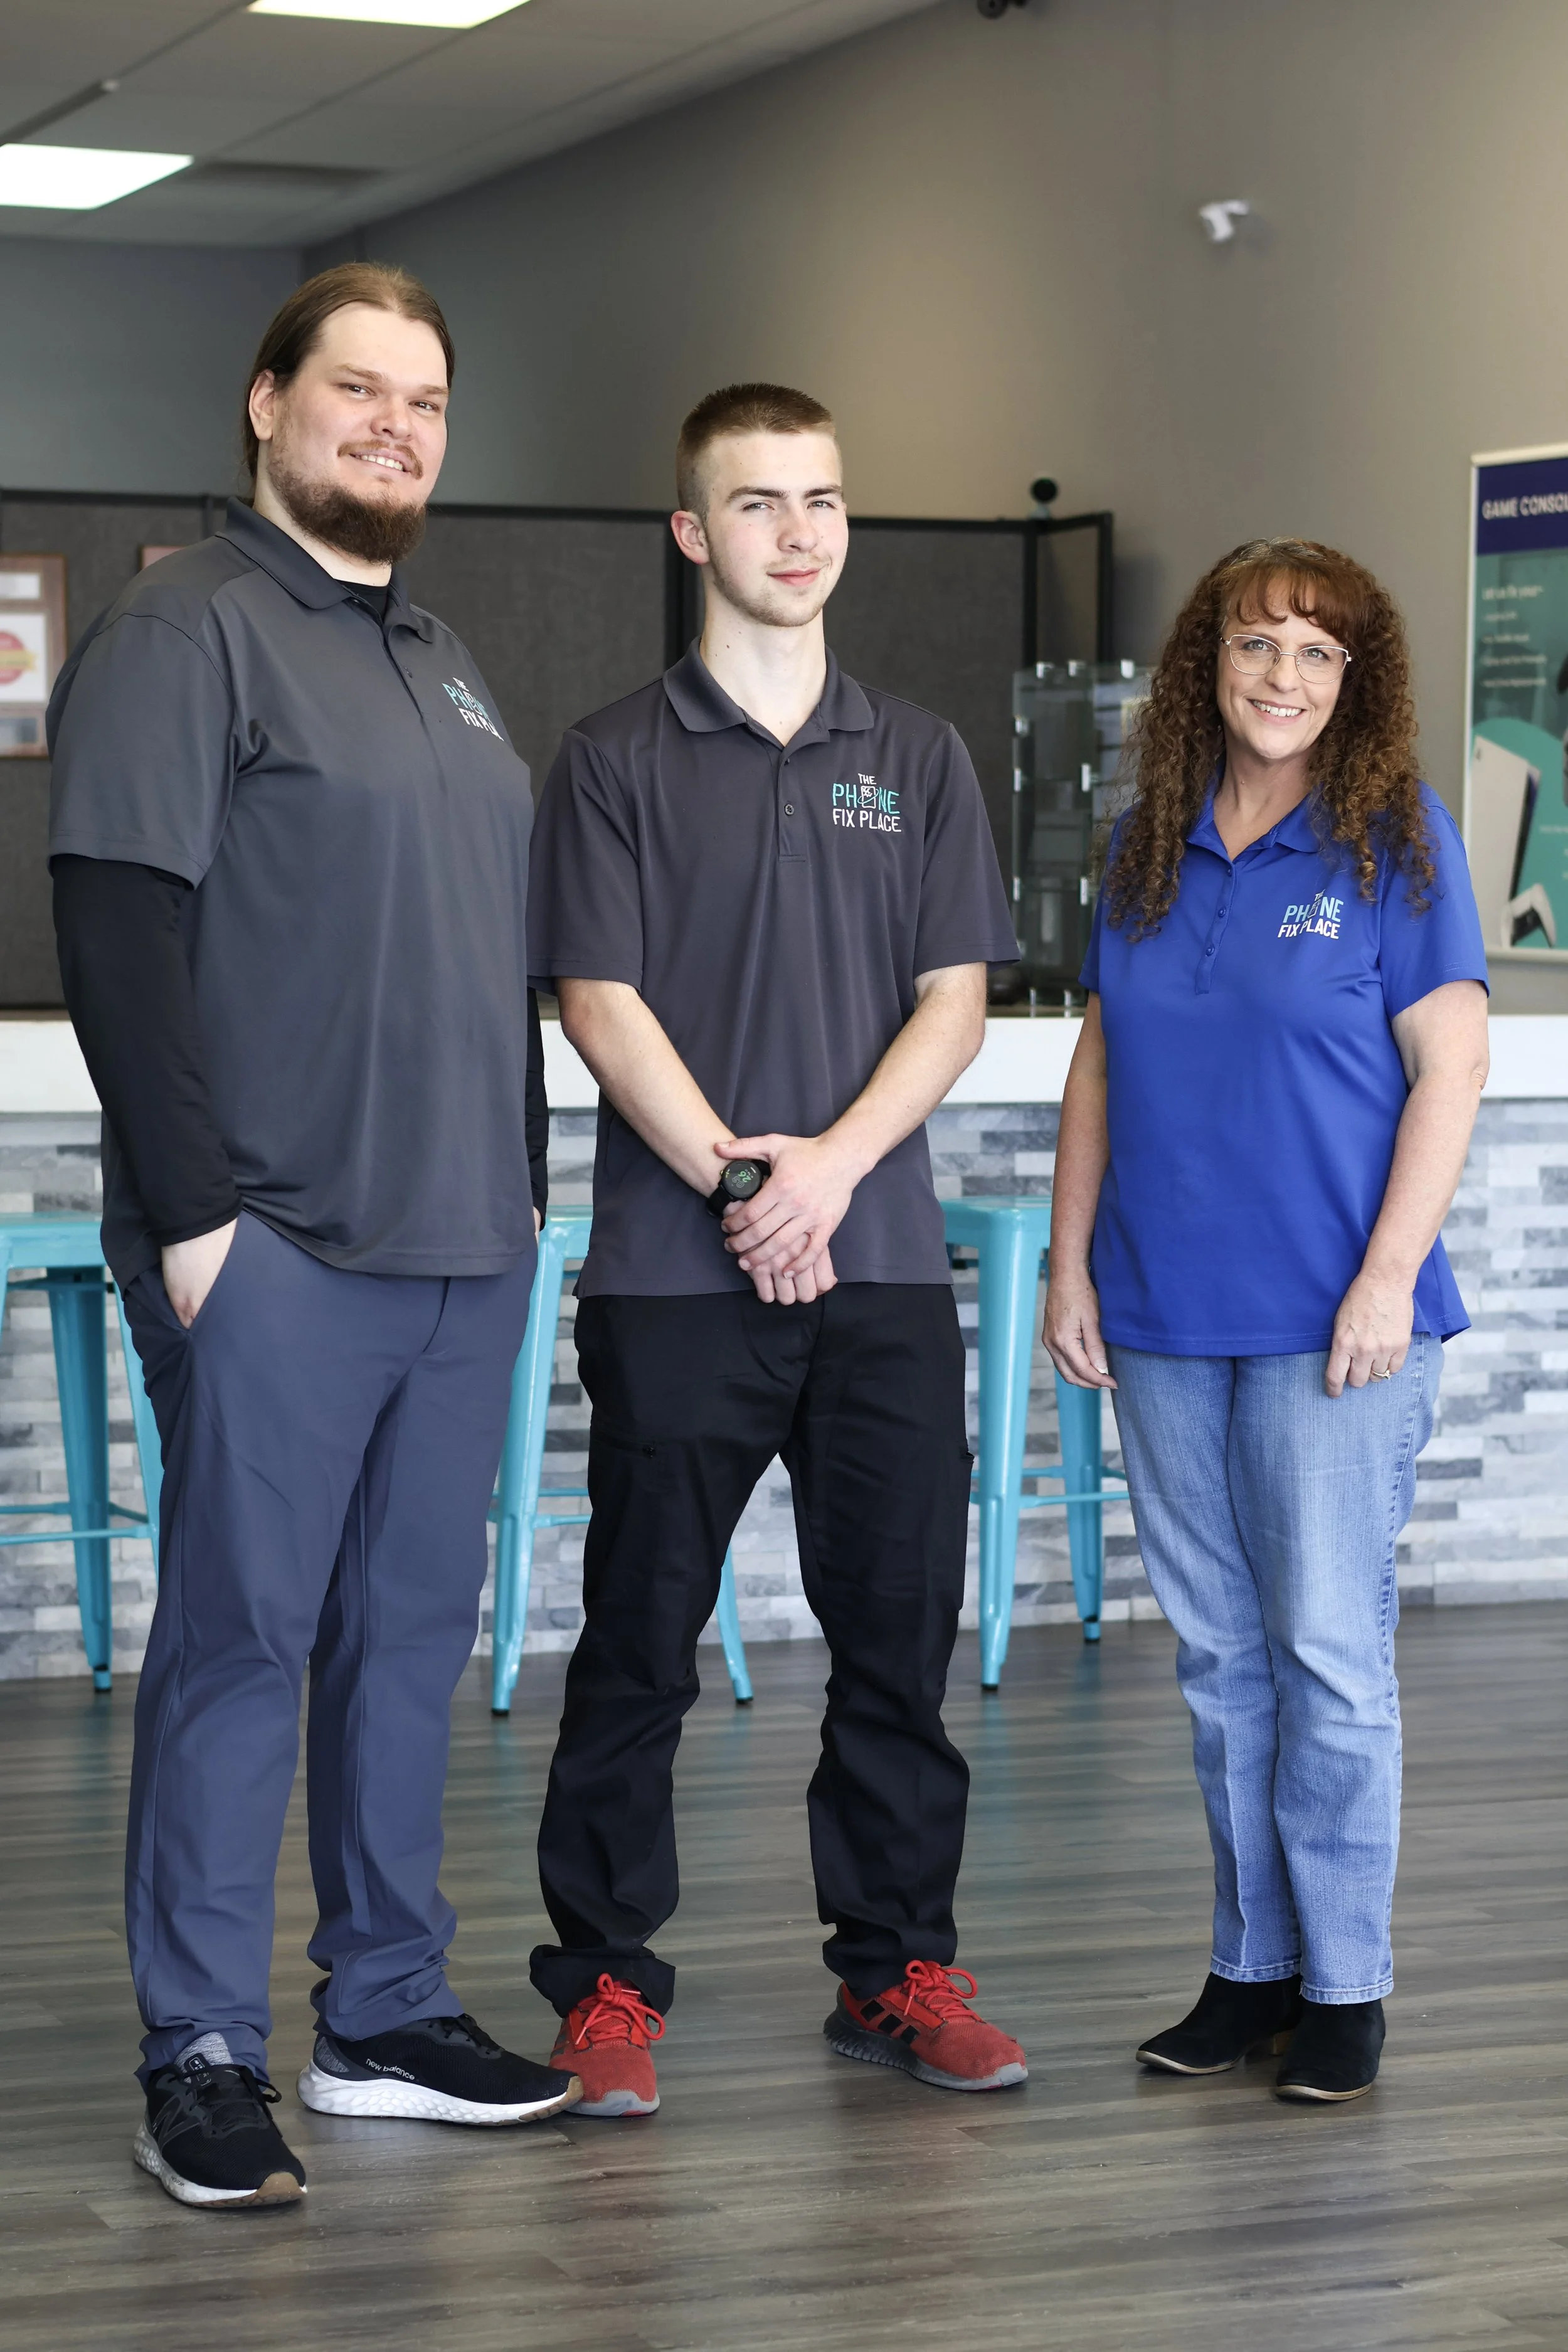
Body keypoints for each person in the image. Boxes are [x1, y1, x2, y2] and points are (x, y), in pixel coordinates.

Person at [48, 263, 578, 2212]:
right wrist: (195, 1228)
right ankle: (198, 2040)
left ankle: (382, 2008)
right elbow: (115, 929)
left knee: (404, 1641)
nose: (395, 423)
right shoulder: (185, 627)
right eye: (356, 387)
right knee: (242, 1641)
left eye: (425, 397)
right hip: (272, 1239)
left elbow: (477, 949)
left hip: (460, 1249)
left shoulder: (438, 650)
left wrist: (520, 1199)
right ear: (265, 402)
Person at [524, 382, 1027, 2116]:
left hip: (877, 1265)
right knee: (640, 1641)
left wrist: (826, 1173)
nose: (797, 533)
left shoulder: (921, 754)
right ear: (691, 533)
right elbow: (598, 1001)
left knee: (896, 1634)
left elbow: (952, 1006)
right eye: (757, 504)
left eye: (821, 500)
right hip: (677, 1275)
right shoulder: (608, 757)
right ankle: (602, 1985)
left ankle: (895, 1965)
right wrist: (751, 1186)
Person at [1044, 538, 1490, 2104]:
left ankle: (1347, 1984)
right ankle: (1252, 1968)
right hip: (1164, 1314)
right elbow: (1100, 1063)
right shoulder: (1143, 848)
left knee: (1324, 1655)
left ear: (1353, 684)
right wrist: (1066, 1261)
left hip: (1336, 1326)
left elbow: (1451, 1070)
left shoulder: (1394, 844)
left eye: (1315, 654)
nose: (1281, 678)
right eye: (1254, 647)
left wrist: (1383, 1277)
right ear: (1203, 668)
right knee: (1219, 1659)